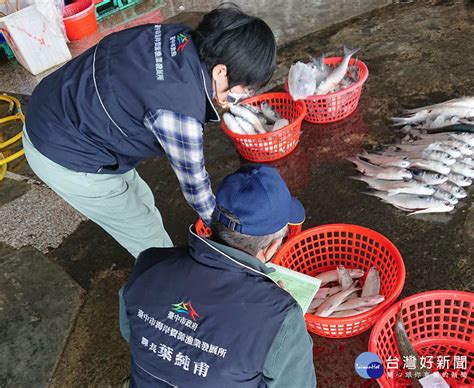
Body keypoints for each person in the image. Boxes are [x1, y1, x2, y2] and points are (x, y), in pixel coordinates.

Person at [22, 4, 277, 258]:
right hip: (63, 151)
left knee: (140, 196)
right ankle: (165, 285)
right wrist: (237, 245)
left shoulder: (179, 38)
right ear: (220, 71)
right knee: (149, 239)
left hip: (58, 104)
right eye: (246, 88)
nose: (244, 96)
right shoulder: (179, 112)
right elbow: (197, 191)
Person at [119, 165, 316, 387]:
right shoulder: (280, 316)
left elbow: (131, 332)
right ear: (270, 248)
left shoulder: (150, 262)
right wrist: (275, 304)